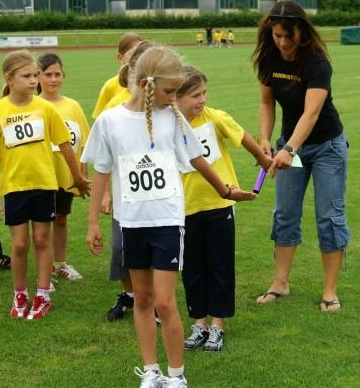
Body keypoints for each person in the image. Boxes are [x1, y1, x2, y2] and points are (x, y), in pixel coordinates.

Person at [82, 46, 255, 387]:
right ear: (146, 83)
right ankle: (151, 371)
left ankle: (176, 375)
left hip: (167, 221)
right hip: (131, 222)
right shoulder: (109, 122)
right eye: (169, 91)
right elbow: (101, 170)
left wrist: (224, 190)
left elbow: (196, 157)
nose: (174, 98)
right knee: (142, 299)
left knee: (164, 300)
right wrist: (92, 223)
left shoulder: (171, 117)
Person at [252, 0, 350, 312]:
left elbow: (312, 113)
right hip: (287, 145)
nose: (281, 42)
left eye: (287, 36)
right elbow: (267, 103)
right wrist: (266, 140)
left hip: (326, 147)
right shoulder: (268, 58)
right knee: (285, 214)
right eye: (276, 35)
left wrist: (288, 149)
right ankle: (280, 283)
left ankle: (330, 290)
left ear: (301, 32)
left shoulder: (316, 62)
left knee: (329, 216)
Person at [0, 50, 90, 320]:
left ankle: (42, 294)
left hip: (44, 184)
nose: (34, 80)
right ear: (9, 78)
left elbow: (65, 145)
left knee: (42, 239)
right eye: (27, 76)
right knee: (19, 245)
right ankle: (20, 293)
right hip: (15, 187)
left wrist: (77, 177)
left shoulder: (45, 108)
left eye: (35, 75)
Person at [177, 66, 271, 352]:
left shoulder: (215, 118)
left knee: (219, 266)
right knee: (192, 268)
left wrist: (262, 158)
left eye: (204, 93)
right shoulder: (171, 125)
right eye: (195, 95)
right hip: (185, 209)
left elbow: (242, 136)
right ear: (177, 98)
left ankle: (217, 326)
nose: (202, 100)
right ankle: (199, 323)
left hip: (219, 205)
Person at [101, 39, 153, 321]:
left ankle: (151, 299)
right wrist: (107, 193)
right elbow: (104, 153)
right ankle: (130, 295)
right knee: (121, 247)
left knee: (153, 249)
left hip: (156, 194)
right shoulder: (113, 103)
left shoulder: (164, 103)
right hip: (125, 192)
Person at [37, 53, 90, 280]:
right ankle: (45, 268)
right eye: (47, 74)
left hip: (66, 176)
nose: (53, 79)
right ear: (38, 77)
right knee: (42, 225)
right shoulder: (34, 106)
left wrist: (81, 175)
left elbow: (83, 143)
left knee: (60, 219)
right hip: (41, 175)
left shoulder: (73, 106)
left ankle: (60, 263)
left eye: (57, 74)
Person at [92, 32, 143, 119]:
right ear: (120, 58)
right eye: (133, 55)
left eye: (142, 54)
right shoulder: (110, 86)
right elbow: (100, 119)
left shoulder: (150, 83)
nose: (138, 59)